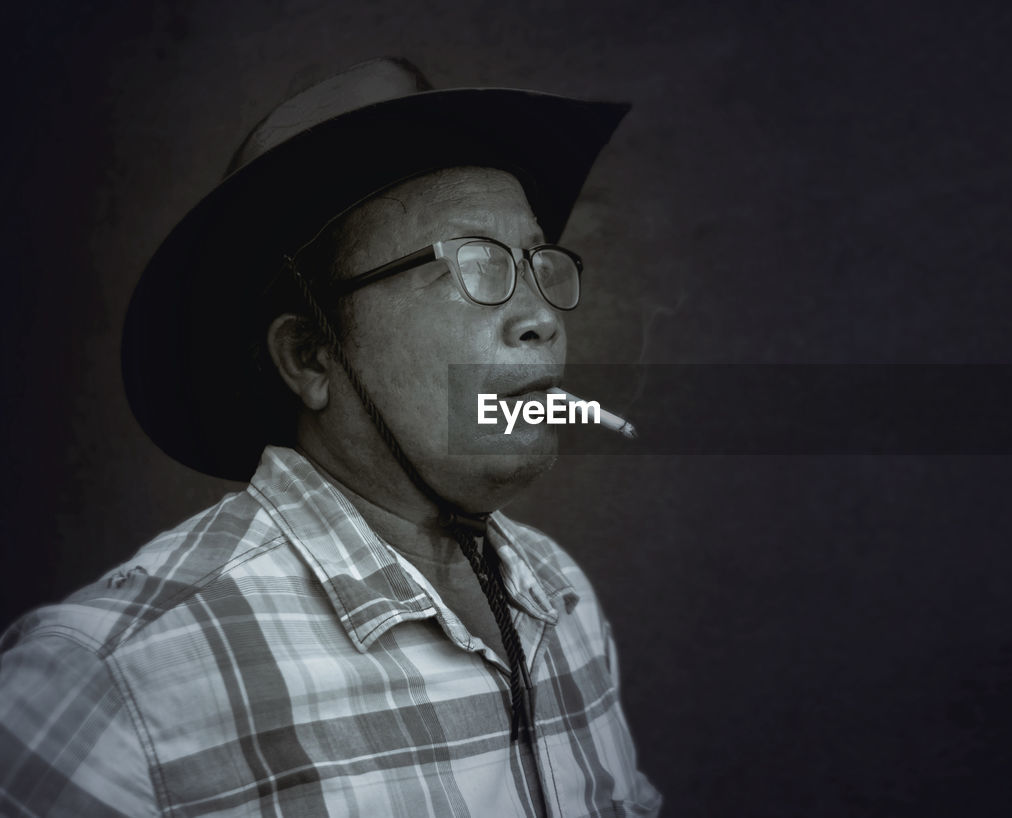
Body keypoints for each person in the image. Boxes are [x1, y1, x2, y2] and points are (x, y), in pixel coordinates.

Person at [0, 57, 661, 817]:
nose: (542, 317)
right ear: (311, 357)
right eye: (474, 265)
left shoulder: (559, 594)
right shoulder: (118, 677)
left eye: (538, 262)